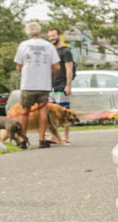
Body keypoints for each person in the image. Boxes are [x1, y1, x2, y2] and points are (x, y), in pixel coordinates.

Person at [14, 21, 61, 149]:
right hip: (43, 84)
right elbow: (57, 67)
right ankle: (42, 139)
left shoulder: (23, 45)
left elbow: (18, 66)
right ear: (40, 31)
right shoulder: (48, 46)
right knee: (43, 111)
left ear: (27, 32)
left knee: (25, 111)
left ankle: (23, 140)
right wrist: (49, 76)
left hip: (28, 84)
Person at [47, 27, 75, 107]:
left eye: (53, 36)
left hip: (61, 87)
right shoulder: (50, 51)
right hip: (51, 88)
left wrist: (68, 86)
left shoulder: (65, 51)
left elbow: (69, 70)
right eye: (50, 36)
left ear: (59, 36)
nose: (51, 38)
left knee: (62, 111)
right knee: (51, 112)